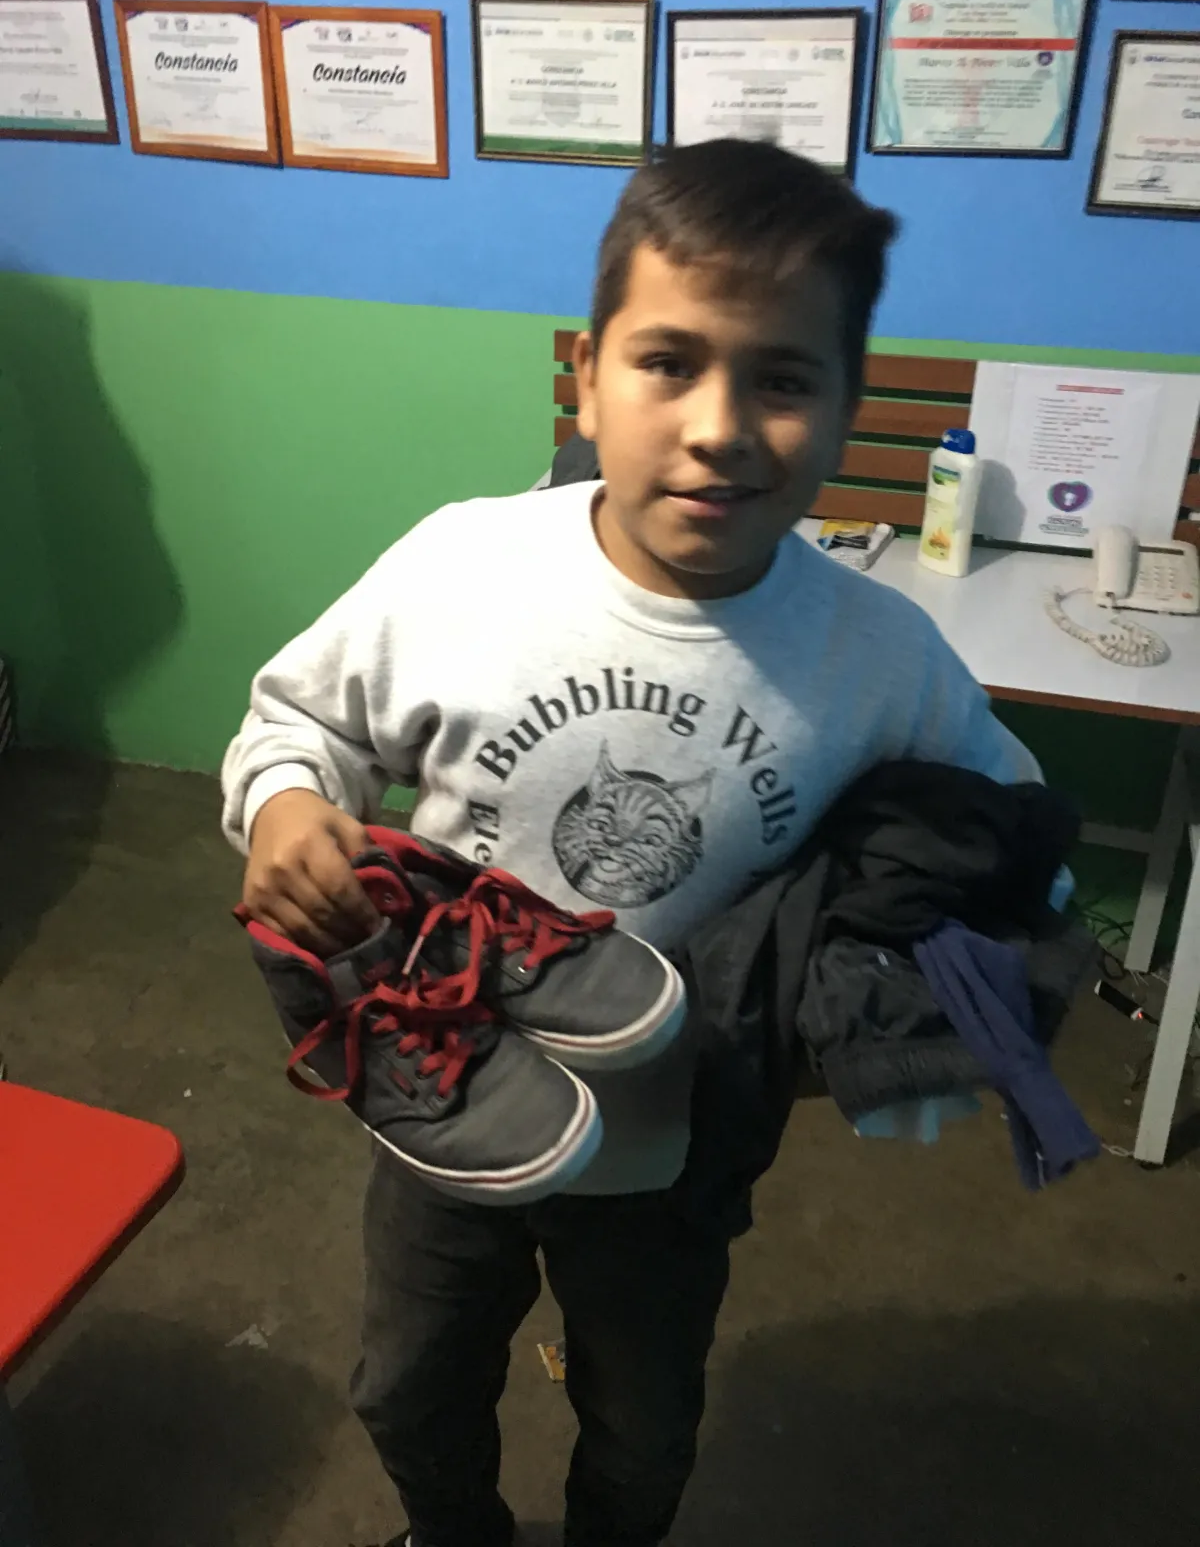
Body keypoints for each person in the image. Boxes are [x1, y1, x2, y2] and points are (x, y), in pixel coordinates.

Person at [222, 138, 1038, 1547]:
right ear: (588, 378)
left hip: (675, 1148)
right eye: (669, 361)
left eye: (783, 377)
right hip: (445, 1105)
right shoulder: (465, 565)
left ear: (847, 411)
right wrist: (290, 800)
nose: (721, 425)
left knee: (644, 1423)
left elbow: (1006, 839)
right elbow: (293, 716)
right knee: (408, 1387)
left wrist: (925, 999)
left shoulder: (880, 658)